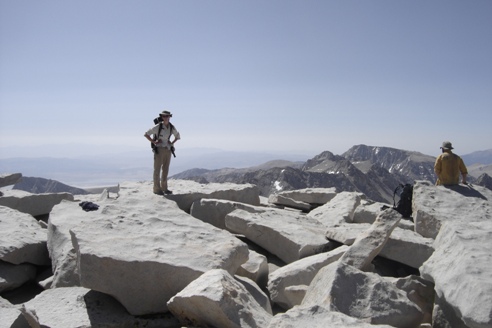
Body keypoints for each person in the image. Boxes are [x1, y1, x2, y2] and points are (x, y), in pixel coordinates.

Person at [144, 110, 180, 195]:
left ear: (169, 117)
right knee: (157, 169)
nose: (166, 118)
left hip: (168, 149)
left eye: (167, 116)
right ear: (162, 117)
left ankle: (164, 188)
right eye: (164, 116)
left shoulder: (171, 127)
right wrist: (154, 142)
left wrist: (171, 142)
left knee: (165, 170)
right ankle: (157, 189)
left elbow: (177, 136)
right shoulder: (158, 126)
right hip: (159, 149)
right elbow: (146, 134)